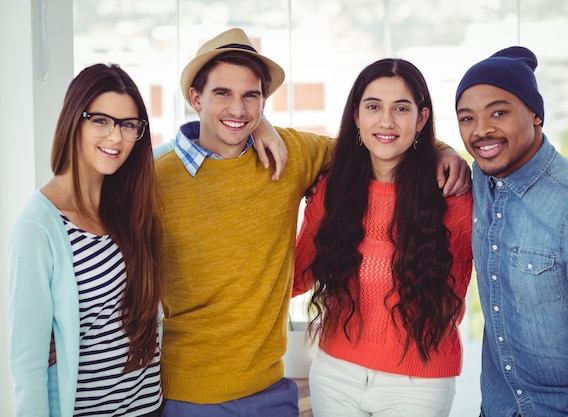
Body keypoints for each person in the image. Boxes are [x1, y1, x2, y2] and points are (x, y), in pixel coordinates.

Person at [153, 28, 471, 417]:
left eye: (250, 96)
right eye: (223, 94)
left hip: (275, 387)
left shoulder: (292, 154)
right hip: (194, 388)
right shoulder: (154, 180)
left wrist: (445, 150)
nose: (237, 109)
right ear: (195, 97)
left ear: (263, 103)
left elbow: (378, 143)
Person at [292, 58, 473, 417]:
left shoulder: (453, 195)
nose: (386, 121)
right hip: (334, 373)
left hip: (418, 384)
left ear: (421, 119)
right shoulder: (332, 189)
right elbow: (298, 277)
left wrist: (451, 153)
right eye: (373, 106)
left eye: (401, 108)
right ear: (356, 116)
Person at [455, 46, 568, 417]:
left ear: (536, 115)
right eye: (466, 118)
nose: (481, 129)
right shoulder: (483, 180)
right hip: (499, 408)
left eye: (498, 112)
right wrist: (442, 153)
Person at [8, 63, 164, 417]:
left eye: (128, 125)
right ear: (73, 121)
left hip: (150, 407)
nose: (116, 138)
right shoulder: (37, 227)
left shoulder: (128, 206)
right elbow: (27, 367)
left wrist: (258, 128)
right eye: (101, 120)